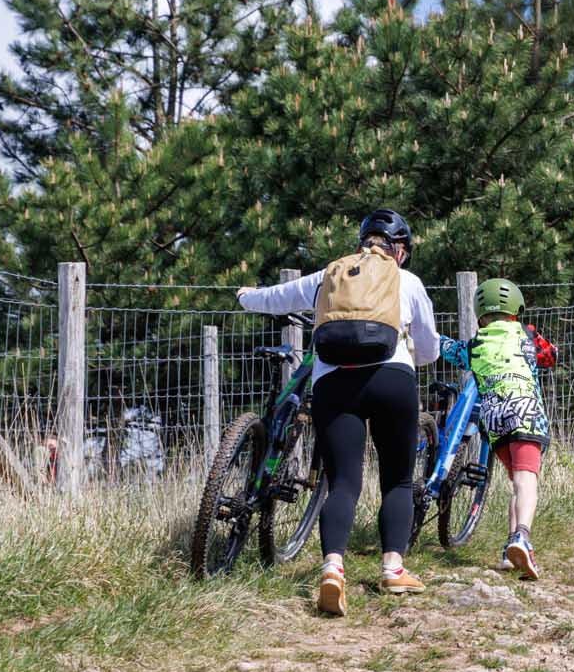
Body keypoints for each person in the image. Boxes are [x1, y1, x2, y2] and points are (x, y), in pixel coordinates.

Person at [236, 208, 440, 616]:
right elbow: (430, 348)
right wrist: (409, 360)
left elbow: (278, 298)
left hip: (333, 382)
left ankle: (332, 567)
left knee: (343, 481)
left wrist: (244, 297)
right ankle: (392, 569)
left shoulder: (332, 274)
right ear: (399, 252)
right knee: (397, 479)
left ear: (362, 243)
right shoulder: (408, 281)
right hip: (392, 379)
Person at [440, 278, 556, 579]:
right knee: (526, 481)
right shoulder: (528, 334)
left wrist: (427, 337)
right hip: (525, 414)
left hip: (493, 421)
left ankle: (508, 551)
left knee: (515, 484)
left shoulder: (476, 344)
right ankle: (522, 537)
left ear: (481, 316)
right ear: (516, 312)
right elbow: (550, 356)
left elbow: (449, 350)